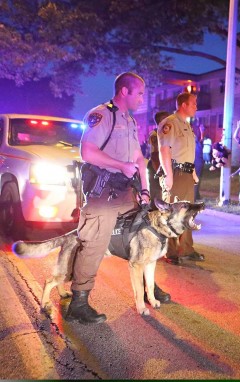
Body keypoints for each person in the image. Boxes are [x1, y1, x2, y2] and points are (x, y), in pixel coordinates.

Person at [65, 72, 150, 324]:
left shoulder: (130, 121)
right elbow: (87, 152)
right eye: (140, 93)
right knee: (94, 244)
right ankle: (78, 303)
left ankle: (149, 288)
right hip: (103, 193)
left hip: (126, 192)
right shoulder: (103, 115)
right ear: (125, 91)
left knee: (145, 234)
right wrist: (120, 165)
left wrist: (145, 190)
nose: (142, 99)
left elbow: (138, 159)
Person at [158, 92, 203, 265]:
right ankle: (170, 252)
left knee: (188, 213)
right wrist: (168, 174)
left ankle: (186, 249)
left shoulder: (186, 125)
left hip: (186, 174)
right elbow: (164, 150)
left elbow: (186, 153)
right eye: (193, 104)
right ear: (183, 105)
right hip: (175, 173)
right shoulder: (170, 123)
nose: (196, 107)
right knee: (172, 213)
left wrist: (192, 173)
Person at [147, 111, 170, 208]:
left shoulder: (167, 133)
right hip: (155, 166)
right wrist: (159, 171)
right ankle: (155, 216)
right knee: (157, 194)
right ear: (160, 121)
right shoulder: (154, 134)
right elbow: (155, 154)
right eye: (166, 119)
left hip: (163, 166)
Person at [194, 123, 205, 200]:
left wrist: (202, 131)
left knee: (196, 180)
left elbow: (202, 138)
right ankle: (195, 196)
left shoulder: (198, 144)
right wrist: (202, 130)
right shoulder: (197, 144)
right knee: (196, 180)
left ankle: (196, 195)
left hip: (197, 164)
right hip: (196, 164)